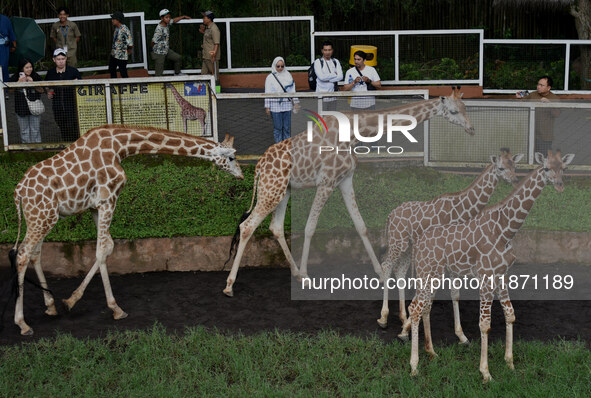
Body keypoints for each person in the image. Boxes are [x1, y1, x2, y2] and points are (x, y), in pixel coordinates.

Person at [45, 48, 82, 142]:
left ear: (66, 59)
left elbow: (82, 86)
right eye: (58, 59)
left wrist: (76, 83)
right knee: (62, 125)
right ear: (54, 60)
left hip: (72, 105)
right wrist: (49, 92)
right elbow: (46, 86)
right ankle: (65, 143)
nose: (61, 61)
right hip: (58, 105)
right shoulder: (51, 73)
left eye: (63, 59)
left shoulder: (73, 71)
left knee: (73, 125)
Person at [516, 75, 560, 153]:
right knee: (529, 156)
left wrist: (549, 104)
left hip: (545, 135)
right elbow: (520, 99)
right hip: (530, 132)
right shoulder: (532, 94)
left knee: (543, 157)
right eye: (538, 84)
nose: (538, 87)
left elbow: (557, 114)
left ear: (548, 88)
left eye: (542, 85)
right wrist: (518, 96)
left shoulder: (554, 98)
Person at [264, 56, 300, 143]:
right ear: (274, 66)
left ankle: (287, 146)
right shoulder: (270, 77)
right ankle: (278, 146)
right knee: (278, 128)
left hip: (287, 105)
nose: (280, 68)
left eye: (282, 66)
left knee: (287, 128)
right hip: (275, 105)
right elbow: (267, 92)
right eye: (278, 66)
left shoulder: (288, 75)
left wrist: (295, 102)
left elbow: (292, 90)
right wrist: (267, 106)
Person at [10, 59, 44, 143]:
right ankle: (26, 149)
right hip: (20, 108)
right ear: (22, 69)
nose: (29, 69)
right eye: (27, 67)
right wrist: (18, 82)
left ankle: (37, 148)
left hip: (35, 107)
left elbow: (42, 90)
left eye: (31, 67)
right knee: (24, 130)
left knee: (35, 130)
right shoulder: (15, 77)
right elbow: (9, 90)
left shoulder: (36, 76)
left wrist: (33, 83)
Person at [151, 9, 191, 76]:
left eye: (169, 17)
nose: (169, 19)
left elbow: (174, 20)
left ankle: (177, 73)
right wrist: (154, 51)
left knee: (178, 58)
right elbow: (153, 41)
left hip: (166, 50)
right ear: (162, 18)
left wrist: (183, 16)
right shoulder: (159, 29)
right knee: (159, 73)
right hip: (159, 52)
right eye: (166, 17)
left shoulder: (167, 24)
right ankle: (158, 84)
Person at [314, 41, 343, 111]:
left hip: (333, 96)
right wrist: (334, 74)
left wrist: (328, 79)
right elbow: (321, 77)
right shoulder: (318, 62)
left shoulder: (336, 61)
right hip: (321, 96)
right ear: (322, 51)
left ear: (332, 51)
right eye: (325, 50)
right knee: (322, 119)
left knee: (332, 117)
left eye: (329, 50)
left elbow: (341, 76)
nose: (327, 52)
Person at [109, 11, 134, 78]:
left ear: (118, 20)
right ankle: (113, 84)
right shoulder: (117, 29)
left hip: (121, 55)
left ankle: (126, 85)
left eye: (113, 19)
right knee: (111, 69)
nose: (112, 21)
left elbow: (130, 42)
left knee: (123, 71)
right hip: (114, 53)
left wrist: (129, 49)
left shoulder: (124, 29)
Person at [200, 11, 220, 77]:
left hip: (210, 56)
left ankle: (217, 87)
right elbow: (209, 38)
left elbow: (216, 43)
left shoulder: (214, 29)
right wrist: (203, 32)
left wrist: (213, 54)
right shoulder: (208, 28)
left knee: (214, 75)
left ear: (209, 19)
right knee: (203, 75)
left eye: (204, 17)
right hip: (206, 56)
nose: (203, 19)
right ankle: (206, 87)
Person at [0, 14, 17, 83]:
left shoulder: (5, 19)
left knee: (4, 67)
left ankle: (5, 87)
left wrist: (14, 45)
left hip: (3, 47)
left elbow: (11, 32)